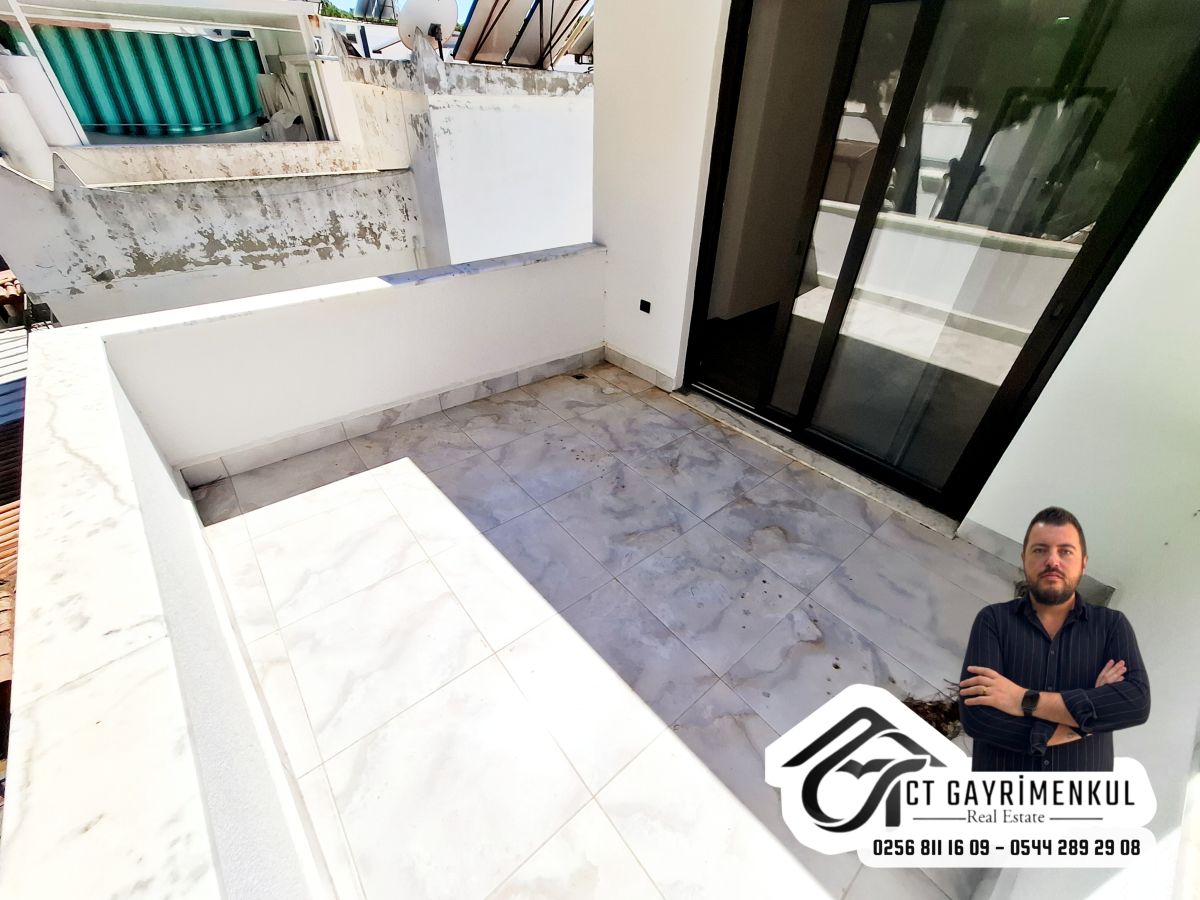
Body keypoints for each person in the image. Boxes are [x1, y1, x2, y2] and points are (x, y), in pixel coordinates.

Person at [957, 507, 1150, 771]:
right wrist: (1083, 724)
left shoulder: (1111, 626)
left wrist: (1023, 699)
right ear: (1024, 558)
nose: (1052, 561)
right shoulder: (993, 620)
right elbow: (978, 717)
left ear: (1083, 562)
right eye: (1040, 550)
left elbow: (1135, 703)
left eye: (1065, 551)